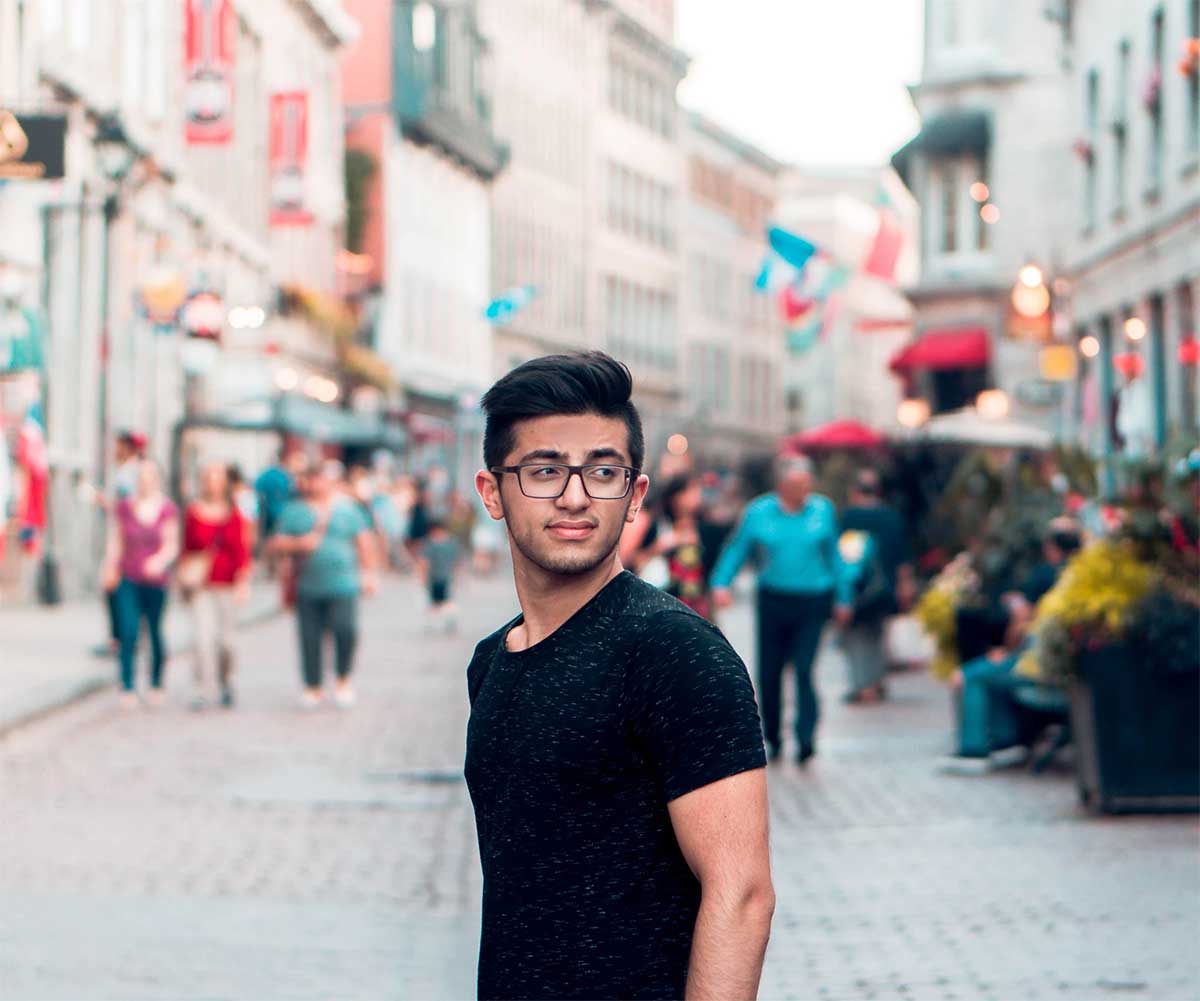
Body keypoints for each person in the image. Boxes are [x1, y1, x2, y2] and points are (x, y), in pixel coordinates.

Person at [466, 353, 773, 1001]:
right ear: (493, 491)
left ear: (633, 495)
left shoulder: (673, 651)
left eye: (602, 471)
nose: (575, 495)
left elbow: (740, 892)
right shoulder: (491, 661)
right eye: (544, 470)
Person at [710, 453, 853, 765]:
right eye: (793, 485)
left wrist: (844, 598)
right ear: (781, 485)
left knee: (803, 668)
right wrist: (721, 582)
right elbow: (738, 549)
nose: (801, 491)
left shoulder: (822, 510)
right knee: (770, 672)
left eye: (805, 484)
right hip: (774, 598)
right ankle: (773, 736)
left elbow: (835, 557)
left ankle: (806, 738)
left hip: (814, 600)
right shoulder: (760, 512)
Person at [940, 521, 1082, 773]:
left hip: (1039, 668)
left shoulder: (1042, 576)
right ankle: (1005, 740)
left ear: (1051, 548)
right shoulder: (1080, 578)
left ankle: (973, 749)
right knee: (991, 676)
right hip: (1072, 671)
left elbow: (1020, 621)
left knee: (969, 676)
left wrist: (1007, 650)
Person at [269, 460, 377, 710]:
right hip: (308, 584)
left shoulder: (348, 509)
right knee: (309, 636)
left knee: (345, 630)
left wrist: (369, 574)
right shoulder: (294, 511)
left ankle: (342, 678)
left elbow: (364, 541)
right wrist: (298, 544)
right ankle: (312, 685)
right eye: (313, 478)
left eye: (322, 478)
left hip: (344, 583)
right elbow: (275, 543)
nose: (317, 483)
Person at [100, 460, 179, 708]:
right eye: (141, 476)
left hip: (155, 580)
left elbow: (171, 543)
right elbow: (116, 540)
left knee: (154, 630)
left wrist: (159, 561)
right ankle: (127, 685)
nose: (145, 480)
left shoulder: (167, 508)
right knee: (128, 629)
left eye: (149, 476)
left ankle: (156, 682)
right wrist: (109, 567)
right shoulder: (125, 507)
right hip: (129, 575)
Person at [839, 468, 916, 702]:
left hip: (855, 588)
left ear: (854, 492)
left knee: (854, 637)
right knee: (877, 634)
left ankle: (863, 685)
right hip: (885, 588)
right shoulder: (891, 517)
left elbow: (839, 557)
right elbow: (903, 557)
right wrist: (905, 585)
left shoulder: (848, 518)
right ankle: (875, 680)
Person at [180, 462, 252, 710]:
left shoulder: (234, 513)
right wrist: (183, 578)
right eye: (209, 477)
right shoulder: (194, 511)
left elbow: (242, 551)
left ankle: (227, 681)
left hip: (227, 584)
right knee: (201, 638)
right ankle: (199, 688)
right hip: (201, 584)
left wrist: (243, 582)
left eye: (217, 478)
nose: (213, 483)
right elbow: (187, 548)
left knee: (226, 641)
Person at [632, 473, 718, 619]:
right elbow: (634, 562)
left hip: (698, 609)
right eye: (689, 491)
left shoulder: (706, 529)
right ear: (675, 497)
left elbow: (712, 570)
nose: (696, 495)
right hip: (663, 606)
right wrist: (661, 546)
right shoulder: (658, 527)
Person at [93, 429, 147, 658]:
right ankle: (125, 637)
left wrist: (105, 502)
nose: (114, 450)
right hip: (126, 538)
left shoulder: (130, 474)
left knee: (114, 587)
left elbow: (126, 508)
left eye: (118, 445)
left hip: (124, 540)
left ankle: (122, 639)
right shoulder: (131, 471)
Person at [420, 520, 460, 632]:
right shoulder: (451, 543)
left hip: (437, 578)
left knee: (438, 603)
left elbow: (424, 562)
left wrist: (422, 577)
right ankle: (446, 623)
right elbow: (457, 562)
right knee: (445, 602)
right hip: (443, 577)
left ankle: (436, 623)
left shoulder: (430, 544)